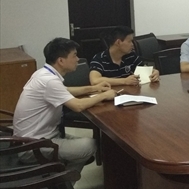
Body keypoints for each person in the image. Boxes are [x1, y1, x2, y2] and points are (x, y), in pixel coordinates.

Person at [13, 38, 116, 173]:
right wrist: (104, 95)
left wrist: (93, 88)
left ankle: (62, 175)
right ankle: (64, 182)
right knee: (89, 146)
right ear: (61, 61)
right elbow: (78, 106)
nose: (78, 59)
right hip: (33, 146)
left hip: (37, 138)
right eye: (74, 55)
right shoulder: (49, 81)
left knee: (87, 146)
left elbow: (65, 90)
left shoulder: (43, 73)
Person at [89, 26, 159, 86]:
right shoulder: (99, 59)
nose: (132, 44)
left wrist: (154, 72)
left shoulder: (131, 56)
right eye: (129, 41)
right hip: (109, 94)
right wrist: (124, 81)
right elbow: (95, 80)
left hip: (129, 93)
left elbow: (144, 69)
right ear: (118, 42)